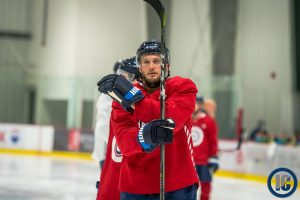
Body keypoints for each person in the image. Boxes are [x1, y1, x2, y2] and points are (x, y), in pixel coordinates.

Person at [97, 40, 199, 200]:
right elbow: (123, 141)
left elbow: (171, 119)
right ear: (139, 66)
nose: (152, 66)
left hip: (177, 185)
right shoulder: (124, 97)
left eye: (157, 61)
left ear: (166, 65)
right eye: (146, 61)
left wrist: (133, 100)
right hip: (135, 187)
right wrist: (143, 136)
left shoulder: (183, 86)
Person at [95, 57, 140, 200]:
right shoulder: (111, 95)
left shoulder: (138, 97)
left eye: (127, 76)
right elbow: (103, 126)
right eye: (121, 74)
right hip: (112, 151)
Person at [92, 60, 122, 169]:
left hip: (105, 127)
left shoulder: (110, 85)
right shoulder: (115, 86)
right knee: (107, 160)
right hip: (107, 128)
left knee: (105, 158)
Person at [191, 95, 219, 200]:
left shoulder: (209, 121)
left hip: (204, 161)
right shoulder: (185, 119)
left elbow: (213, 141)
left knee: (206, 187)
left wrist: (214, 157)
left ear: (201, 105)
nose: (194, 105)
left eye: (197, 103)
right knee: (189, 189)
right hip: (189, 162)